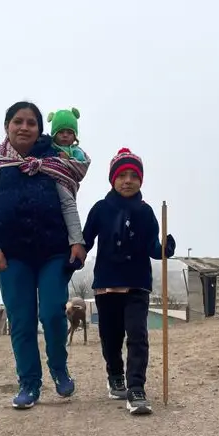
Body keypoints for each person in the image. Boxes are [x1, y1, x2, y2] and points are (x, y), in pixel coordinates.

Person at [0, 101, 89, 410]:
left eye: (31, 123)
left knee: (52, 312)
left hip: (53, 253)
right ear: (7, 127)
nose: (24, 127)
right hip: (12, 258)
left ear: (40, 129)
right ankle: (29, 383)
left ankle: (59, 368)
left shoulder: (53, 163)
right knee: (22, 321)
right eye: (18, 121)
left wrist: (77, 240)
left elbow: (67, 204)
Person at [81, 148, 176, 415]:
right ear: (112, 179)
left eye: (134, 175)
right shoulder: (100, 209)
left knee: (137, 335)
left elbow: (151, 247)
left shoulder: (146, 212)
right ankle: (115, 376)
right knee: (111, 337)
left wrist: (165, 249)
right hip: (107, 284)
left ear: (141, 180)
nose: (128, 180)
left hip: (137, 283)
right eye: (122, 174)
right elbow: (85, 242)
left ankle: (136, 388)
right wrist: (70, 260)